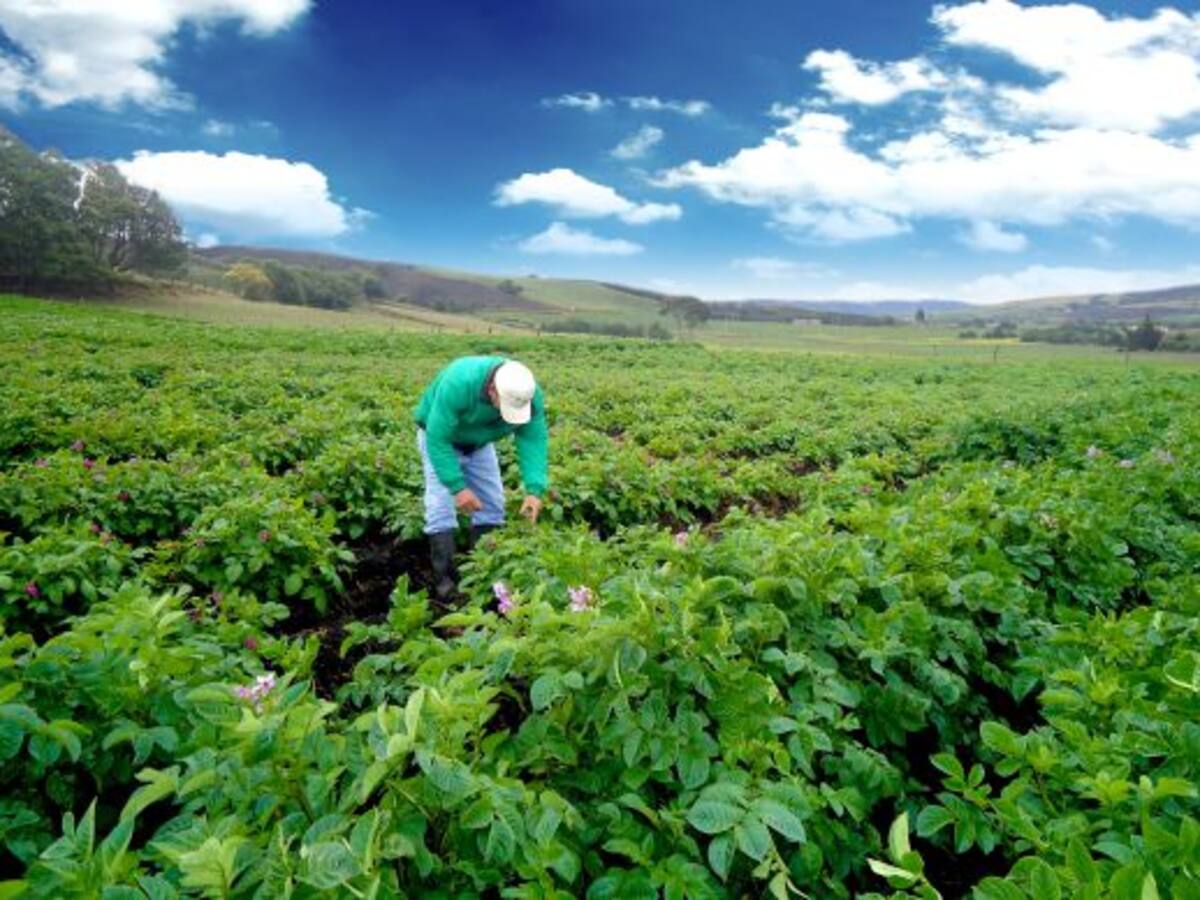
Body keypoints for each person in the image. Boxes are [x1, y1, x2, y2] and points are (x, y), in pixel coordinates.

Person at [413, 355, 548, 602]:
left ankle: (483, 579)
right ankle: (447, 590)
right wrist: (457, 487)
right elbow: (437, 438)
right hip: (441, 439)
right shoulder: (460, 382)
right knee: (440, 509)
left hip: (479, 444)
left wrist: (534, 489)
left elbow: (532, 438)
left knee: (492, 506)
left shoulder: (528, 393)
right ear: (491, 390)